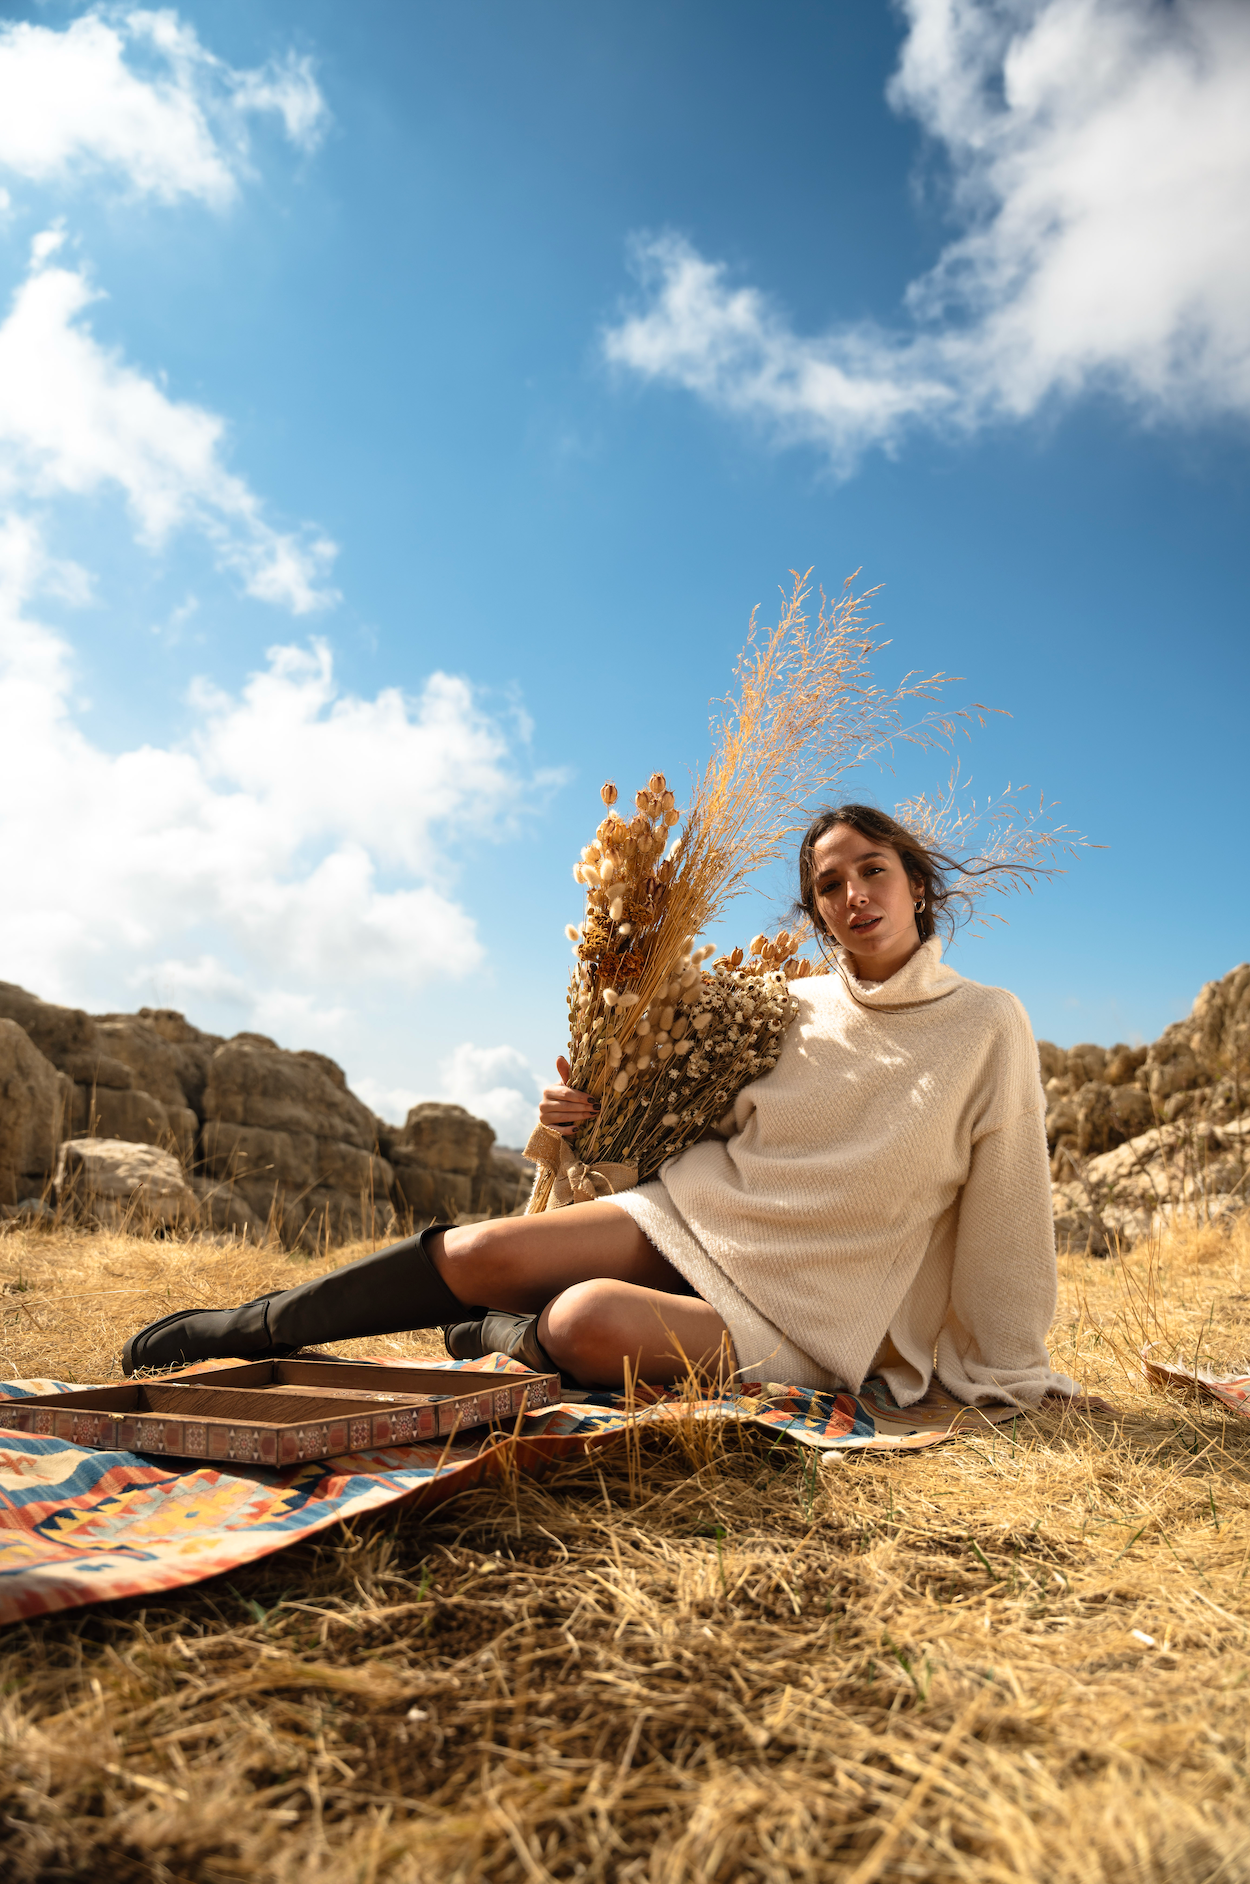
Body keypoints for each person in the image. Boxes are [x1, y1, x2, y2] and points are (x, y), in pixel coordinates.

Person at [123, 805, 1077, 1409]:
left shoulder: (988, 1024)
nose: (854, 893)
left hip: (815, 1310)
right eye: (829, 883)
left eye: (873, 869)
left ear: (916, 880)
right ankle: (247, 1328)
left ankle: (503, 1337)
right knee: (478, 1251)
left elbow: (1009, 1204)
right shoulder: (782, 1006)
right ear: (814, 911)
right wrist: (583, 1119)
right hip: (696, 1216)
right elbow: (679, 1125)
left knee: (583, 1324)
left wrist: (1008, 1365)